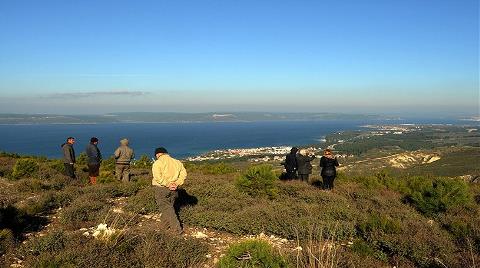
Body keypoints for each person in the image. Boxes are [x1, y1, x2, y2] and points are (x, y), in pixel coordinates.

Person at [151, 147, 187, 234]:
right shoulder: (177, 162)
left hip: (161, 189)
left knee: (166, 208)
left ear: (158, 154)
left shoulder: (158, 163)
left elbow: (157, 177)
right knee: (169, 208)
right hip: (174, 189)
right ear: (166, 153)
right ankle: (163, 227)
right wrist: (176, 183)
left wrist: (168, 184)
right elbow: (183, 175)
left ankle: (177, 230)